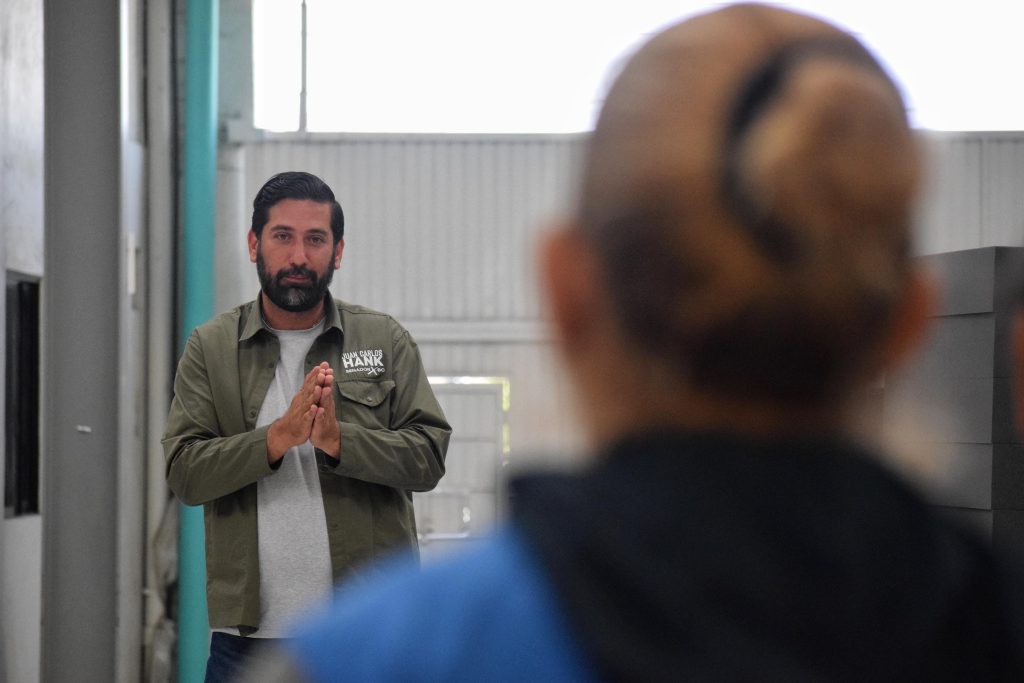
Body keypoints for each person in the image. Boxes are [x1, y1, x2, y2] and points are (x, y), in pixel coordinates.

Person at [261, 4, 1024, 681]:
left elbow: (423, 453)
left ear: (566, 290)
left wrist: (336, 442)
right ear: (907, 324)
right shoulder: (988, 626)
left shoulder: (379, 655)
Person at [162, 171, 451, 680]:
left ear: (337, 251)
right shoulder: (210, 347)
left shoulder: (382, 340)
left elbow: (428, 455)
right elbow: (185, 472)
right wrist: (276, 439)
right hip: (247, 645)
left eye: (316, 239)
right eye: (282, 236)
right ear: (255, 244)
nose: (299, 256)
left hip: (370, 629)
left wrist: (340, 442)